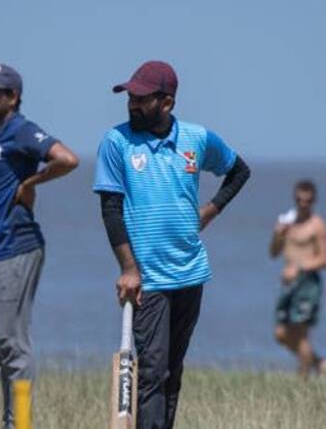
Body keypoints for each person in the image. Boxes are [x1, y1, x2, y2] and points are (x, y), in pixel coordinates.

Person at [94, 60, 250, 429]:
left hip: (191, 272)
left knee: (171, 373)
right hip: (148, 280)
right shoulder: (116, 142)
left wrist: (210, 210)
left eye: (141, 98)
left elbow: (239, 170)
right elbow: (110, 209)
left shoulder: (197, 139)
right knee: (151, 373)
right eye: (130, 96)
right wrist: (129, 269)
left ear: (166, 103)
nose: (132, 104)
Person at [0, 63, 79, 429]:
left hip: (16, 245)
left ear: (13, 97)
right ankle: (10, 419)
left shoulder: (21, 130)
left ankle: (17, 424)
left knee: (11, 344)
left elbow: (67, 159)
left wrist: (30, 182)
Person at [268, 180, 326, 378]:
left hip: (307, 283)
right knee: (281, 333)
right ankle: (320, 363)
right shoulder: (288, 223)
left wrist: (298, 268)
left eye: (307, 200)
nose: (303, 204)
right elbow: (273, 253)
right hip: (288, 285)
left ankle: (303, 379)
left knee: (300, 332)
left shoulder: (317, 225)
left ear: (313, 200)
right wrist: (277, 234)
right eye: (299, 200)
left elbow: (325, 259)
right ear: (294, 199)